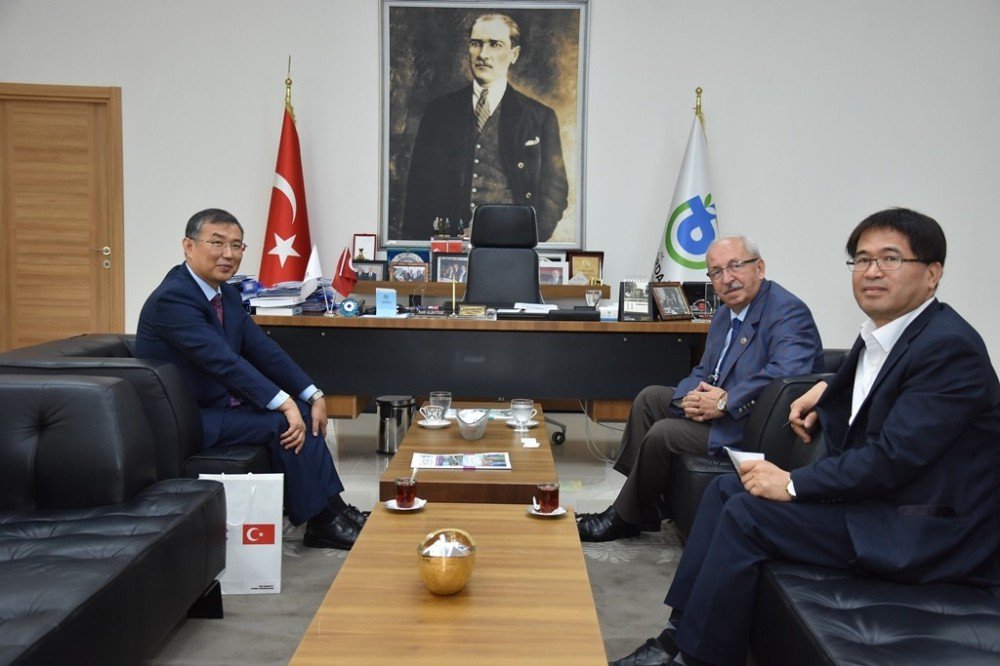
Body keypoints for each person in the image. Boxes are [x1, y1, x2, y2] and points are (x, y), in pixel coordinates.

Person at [613, 208, 1000, 666]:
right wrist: (825, 389)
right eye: (861, 259)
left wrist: (793, 483)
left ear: (932, 274)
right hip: (882, 500)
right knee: (724, 489)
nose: (872, 271)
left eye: (891, 259)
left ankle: (699, 656)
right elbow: (867, 380)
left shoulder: (949, 347)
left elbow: (892, 457)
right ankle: (680, 631)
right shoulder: (888, 334)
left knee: (746, 514)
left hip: (919, 527)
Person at [136, 208, 365, 550]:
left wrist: (312, 393)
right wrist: (283, 402)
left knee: (304, 410)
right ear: (188, 245)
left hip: (219, 405)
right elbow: (224, 362)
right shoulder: (174, 298)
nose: (228, 254)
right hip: (186, 417)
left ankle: (334, 510)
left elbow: (262, 349)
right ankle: (321, 521)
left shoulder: (225, 292)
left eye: (237, 245)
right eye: (216, 243)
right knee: (283, 422)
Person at [577, 236, 824, 542]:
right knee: (649, 399)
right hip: (721, 410)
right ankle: (646, 506)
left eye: (735, 266)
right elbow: (703, 371)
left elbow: (787, 375)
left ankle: (625, 516)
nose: (727, 278)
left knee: (664, 433)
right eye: (716, 272)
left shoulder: (787, 312)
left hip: (754, 424)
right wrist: (690, 399)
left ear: (759, 268)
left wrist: (726, 402)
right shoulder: (723, 314)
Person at [400, 13, 569, 242]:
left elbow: (554, 191)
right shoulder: (438, 112)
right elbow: (417, 191)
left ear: (514, 54)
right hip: (449, 247)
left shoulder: (539, 117)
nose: (483, 54)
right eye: (476, 44)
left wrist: (527, 235)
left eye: (495, 45)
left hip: (512, 246)